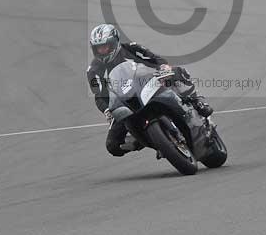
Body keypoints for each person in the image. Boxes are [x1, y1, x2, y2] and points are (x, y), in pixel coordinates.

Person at [86, 24, 213, 157]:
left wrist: (162, 66)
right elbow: (99, 93)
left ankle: (197, 100)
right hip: (124, 101)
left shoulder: (131, 48)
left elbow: (154, 58)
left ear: (115, 42)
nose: (103, 51)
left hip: (148, 83)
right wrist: (107, 110)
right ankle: (151, 140)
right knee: (113, 145)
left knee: (176, 71)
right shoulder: (94, 70)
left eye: (106, 46)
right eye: (99, 48)